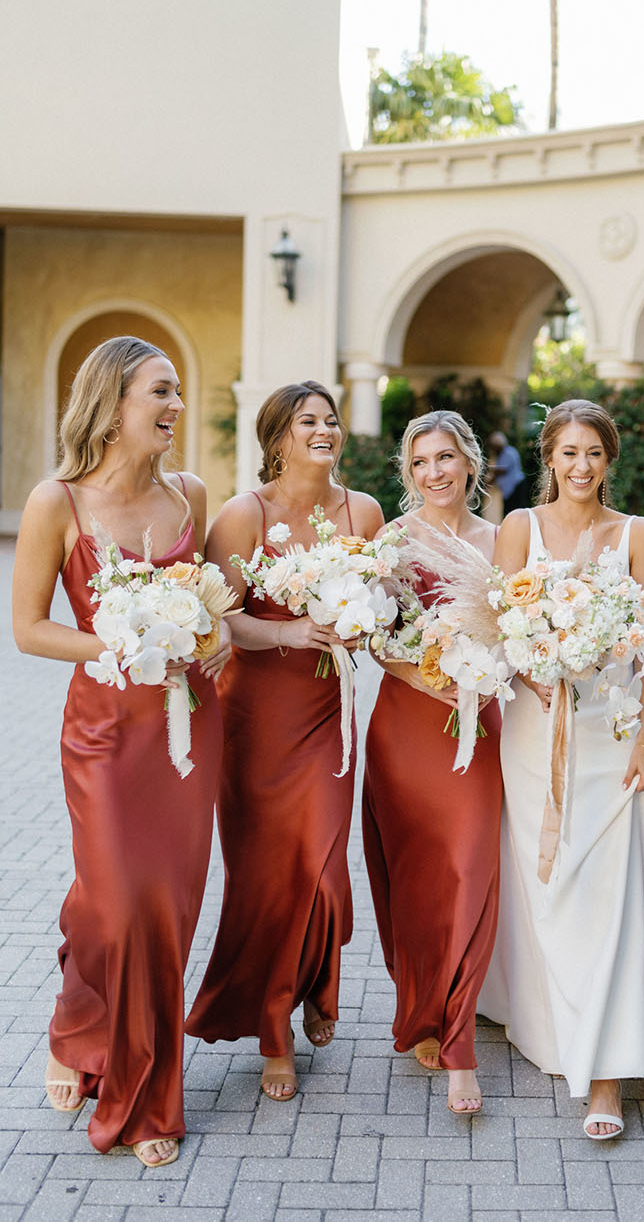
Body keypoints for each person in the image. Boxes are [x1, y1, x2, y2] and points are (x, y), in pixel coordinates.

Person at [12, 336, 229, 1168]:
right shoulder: (55, 501)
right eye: (161, 392)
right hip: (104, 732)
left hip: (187, 726)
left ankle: (111, 1051)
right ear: (112, 404)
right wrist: (113, 636)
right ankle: (126, 1085)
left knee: (165, 909)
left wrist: (212, 640)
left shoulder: (191, 494)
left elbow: (210, 603)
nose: (175, 406)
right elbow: (29, 628)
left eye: (176, 391)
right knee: (116, 899)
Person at [184, 382, 383, 1101]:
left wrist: (361, 622)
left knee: (325, 868)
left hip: (328, 706)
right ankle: (275, 1033)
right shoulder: (245, 514)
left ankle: (317, 979)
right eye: (309, 421)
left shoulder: (362, 510)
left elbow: (377, 605)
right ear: (279, 437)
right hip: (256, 717)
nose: (325, 429)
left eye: (331, 419)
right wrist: (291, 631)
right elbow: (217, 619)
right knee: (266, 877)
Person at [478, 399, 644, 1141]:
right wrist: (538, 667)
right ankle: (551, 1028)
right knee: (545, 884)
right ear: (548, 457)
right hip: (533, 729)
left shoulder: (638, 534)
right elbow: (496, 628)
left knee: (608, 890)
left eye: (594, 453)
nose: (581, 466)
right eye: (568, 453)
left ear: (608, 460)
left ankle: (609, 1072)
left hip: (611, 729)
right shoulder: (518, 529)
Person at [363, 410, 502, 1115]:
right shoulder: (390, 539)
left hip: (478, 723)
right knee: (414, 875)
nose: (434, 472)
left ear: (469, 463)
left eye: (446, 457)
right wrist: (418, 674)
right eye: (420, 462)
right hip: (407, 724)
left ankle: (460, 1046)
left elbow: (521, 627)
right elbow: (372, 637)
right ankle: (422, 1006)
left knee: (471, 866)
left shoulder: (504, 540)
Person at [487, 430, 529, 515]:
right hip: (508, 490)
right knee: (508, 512)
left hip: (516, 487)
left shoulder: (508, 453)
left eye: (495, 446)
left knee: (515, 512)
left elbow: (502, 470)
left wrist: (488, 472)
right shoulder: (500, 455)